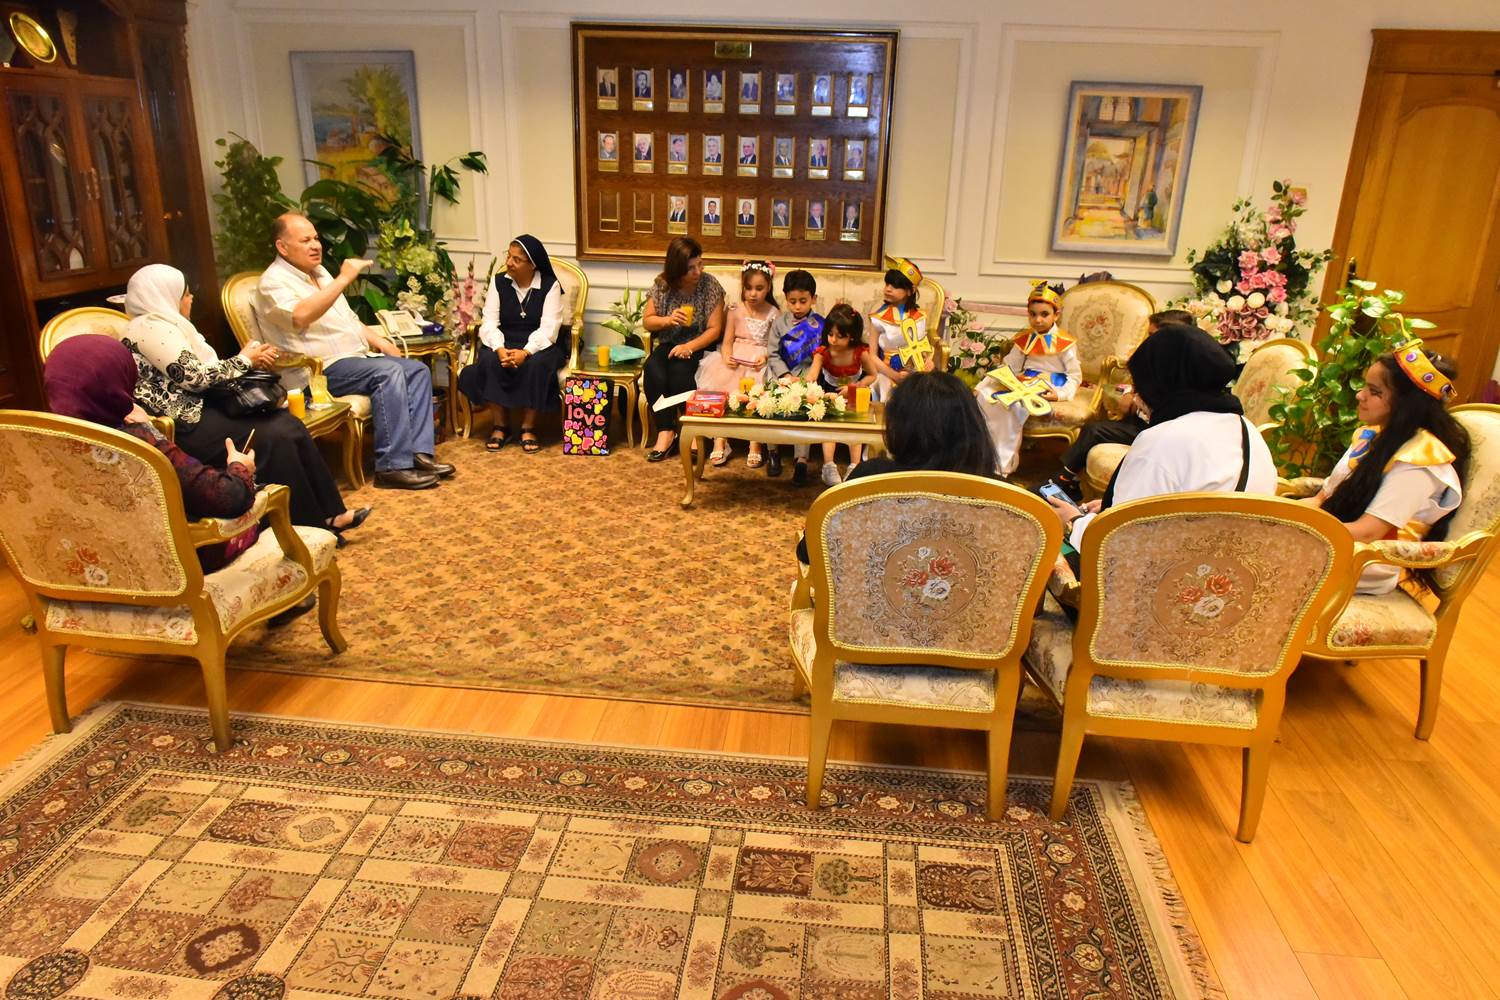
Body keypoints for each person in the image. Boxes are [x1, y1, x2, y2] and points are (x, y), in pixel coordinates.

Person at [123, 263, 370, 537]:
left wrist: (244, 359)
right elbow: (194, 377)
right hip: (185, 424)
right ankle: (306, 529)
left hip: (205, 409)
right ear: (166, 295)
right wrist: (244, 360)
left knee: (287, 423)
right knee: (276, 435)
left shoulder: (164, 325)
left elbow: (203, 372)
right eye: (185, 294)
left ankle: (330, 514)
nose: (191, 299)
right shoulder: (150, 327)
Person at [256, 212, 452, 490]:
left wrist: (382, 342)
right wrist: (344, 279)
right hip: (318, 370)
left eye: (316, 238)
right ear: (282, 247)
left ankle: (419, 454)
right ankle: (392, 467)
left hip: (355, 360)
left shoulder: (319, 273)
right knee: (387, 373)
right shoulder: (272, 282)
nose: (315, 245)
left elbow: (349, 319)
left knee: (417, 370)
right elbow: (300, 316)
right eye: (305, 240)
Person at [1046, 323, 1277, 551]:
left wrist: (1074, 521)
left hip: (1169, 569)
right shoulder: (1249, 431)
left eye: (1140, 386)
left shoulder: (1162, 441)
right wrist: (1112, 506)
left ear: (1161, 384)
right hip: (1237, 565)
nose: (1137, 399)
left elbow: (1119, 543)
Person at [45, 336, 262, 576]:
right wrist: (239, 467)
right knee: (259, 509)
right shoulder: (136, 443)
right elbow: (229, 498)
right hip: (165, 571)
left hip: (81, 571)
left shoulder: (37, 440)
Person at [1301, 344, 1468, 595]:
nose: (1360, 396)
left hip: (1364, 561)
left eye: (1375, 391)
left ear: (1406, 404)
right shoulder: (1373, 436)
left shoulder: (1419, 460)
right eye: (1365, 386)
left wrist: (1297, 530)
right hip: (1334, 539)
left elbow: (1369, 533)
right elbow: (1323, 498)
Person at [796, 371, 997, 563]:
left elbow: (809, 552)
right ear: (973, 424)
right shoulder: (1001, 495)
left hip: (874, 589)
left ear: (900, 426)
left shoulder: (871, 479)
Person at [1051, 308, 1194, 500]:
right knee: (1093, 429)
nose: (1147, 341)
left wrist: (1136, 401)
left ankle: (1060, 481)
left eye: (1153, 336)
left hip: (1155, 432)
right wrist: (1130, 395)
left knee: (1095, 431)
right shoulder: (1155, 360)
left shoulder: (1182, 370)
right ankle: (1070, 481)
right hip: (1136, 422)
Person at [458, 235, 568, 454]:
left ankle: (528, 427)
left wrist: (526, 352)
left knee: (537, 365)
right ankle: (500, 425)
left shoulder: (550, 285)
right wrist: (499, 348)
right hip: (504, 339)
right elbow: (489, 321)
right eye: (508, 256)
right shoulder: (499, 282)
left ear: (532, 264)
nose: (509, 262)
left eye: (516, 259)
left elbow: (549, 328)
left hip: (540, 343)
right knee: (489, 360)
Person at [974, 280, 1083, 477]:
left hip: (1047, 383)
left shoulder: (1065, 343)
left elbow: (1075, 375)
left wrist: (1060, 394)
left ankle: (1002, 465)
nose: (1038, 320)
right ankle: (984, 457)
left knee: (1013, 405)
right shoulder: (1025, 339)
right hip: (1024, 379)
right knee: (987, 396)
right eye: (1033, 314)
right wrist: (982, 385)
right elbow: (1008, 366)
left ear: (1056, 315)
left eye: (1044, 314)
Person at [642, 238, 727, 461]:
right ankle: (666, 431)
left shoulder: (710, 285)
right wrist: (668, 320)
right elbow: (648, 321)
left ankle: (692, 431)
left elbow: (715, 329)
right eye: (691, 268)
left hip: (699, 343)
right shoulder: (662, 285)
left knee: (681, 372)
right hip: (670, 342)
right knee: (653, 369)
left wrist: (689, 346)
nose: (698, 271)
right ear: (677, 268)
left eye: (700, 264)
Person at [696, 260, 777, 468]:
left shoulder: (773, 312)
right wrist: (726, 356)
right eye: (748, 288)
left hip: (759, 360)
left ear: (768, 287)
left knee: (759, 391)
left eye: (759, 288)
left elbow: (774, 345)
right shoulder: (734, 309)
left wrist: (765, 357)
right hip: (736, 357)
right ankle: (720, 440)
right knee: (723, 387)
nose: (753, 294)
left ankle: (755, 443)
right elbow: (727, 341)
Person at [806, 304, 879, 485]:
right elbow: (812, 373)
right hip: (830, 392)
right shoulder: (823, 352)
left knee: (855, 429)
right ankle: (828, 466)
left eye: (840, 336)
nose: (833, 340)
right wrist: (809, 383)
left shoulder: (860, 353)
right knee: (829, 428)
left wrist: (855, 386)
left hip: (855, 394)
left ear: (851, 336)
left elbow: (872, 375)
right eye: (830, 334)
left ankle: (855, 466)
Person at [765, 270, 824, 482]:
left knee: (806, 401)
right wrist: (786, 374)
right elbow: (773, 354)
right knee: (770, 399)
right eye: (792, 301)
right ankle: (773, 452)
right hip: (782, 372)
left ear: (813, 299)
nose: (797, 306)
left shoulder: (819, 324)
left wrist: (808, 377)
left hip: (808, 373)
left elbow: (822, 354)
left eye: (803, 301)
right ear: (785, 298)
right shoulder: (779, 323)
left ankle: (801, 459)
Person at [868, 255, 935, 402]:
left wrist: (928, 362)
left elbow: (924, 349)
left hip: (915, 371)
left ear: (910, 291)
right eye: (887, 284)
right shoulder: (878, 318)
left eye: (895, 286)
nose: (888, 289)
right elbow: (872, 355)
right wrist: (894, 375)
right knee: (887, 391)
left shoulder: (920, 317)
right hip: (887, 372)